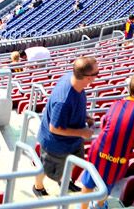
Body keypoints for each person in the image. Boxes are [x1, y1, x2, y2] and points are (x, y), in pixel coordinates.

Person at [78, 73, 134, 205]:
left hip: (99, 149)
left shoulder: (116, 104)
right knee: (106, 186)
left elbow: (105, 125)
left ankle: (83, 207)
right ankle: (99, 206)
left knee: (88, 182)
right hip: (118, 157)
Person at [33, 57, 98, 197]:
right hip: (55, 144)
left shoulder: (73, 79)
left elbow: (73, 107)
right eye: (96, 74)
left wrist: (84, 116)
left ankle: (64, 181)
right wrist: (82, 132)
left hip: (73, 139)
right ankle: (38, 187)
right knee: (46, 168)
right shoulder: (63, 101)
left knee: (72, 162)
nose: (97, 76)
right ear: (88, 77)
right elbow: (54, 128)